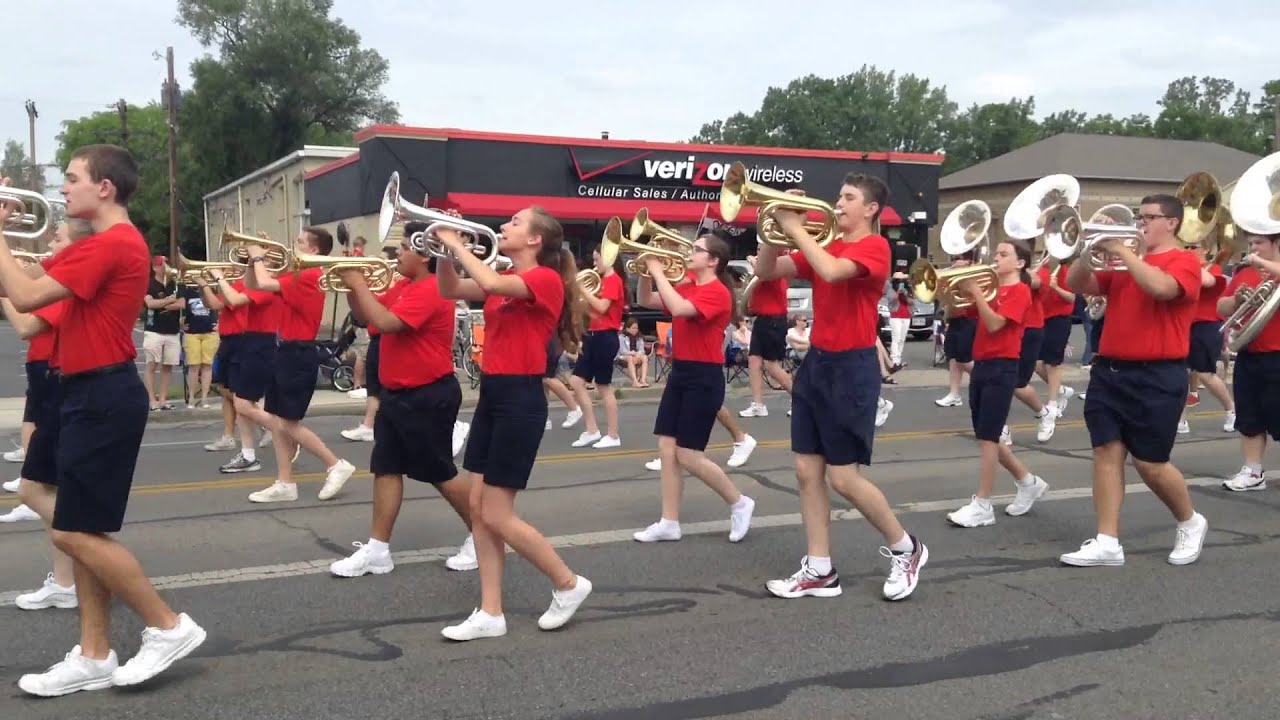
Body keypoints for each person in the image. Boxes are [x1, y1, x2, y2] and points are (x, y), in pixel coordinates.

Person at [5, 147, 205, 696]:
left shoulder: (115, 243)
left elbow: (22, 292)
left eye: (72, 179)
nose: (62, 187)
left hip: (103, 393)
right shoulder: (95, 246)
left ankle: (168, 626)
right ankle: (95, 655)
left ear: (105, 188)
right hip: (75, 391)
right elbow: (20, 295)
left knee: (73, 530)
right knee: (74, 523)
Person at [754, 173, 928, 601]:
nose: (838, 203)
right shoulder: (825, 241)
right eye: (839, 194)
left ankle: (908, 548)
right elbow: (765, 271)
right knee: (805, 470)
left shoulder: (874, 246)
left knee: (844, 478)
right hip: (817, 363)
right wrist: (776, 227)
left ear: (870, 209)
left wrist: (795, 226)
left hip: (852, 368)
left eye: (848, 197)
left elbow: (832, 273)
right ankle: (819, 569)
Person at [436, 206, 593, 641]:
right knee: (477, 508)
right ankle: (491, 612)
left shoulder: (541, 278)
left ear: (535, 240)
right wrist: (445, 251)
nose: (504, 226)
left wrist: (454, 240)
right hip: (494, 394)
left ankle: (568, 582)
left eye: (515, 223)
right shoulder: (505, 277)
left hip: (521, 398)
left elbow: (485, 281)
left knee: (497, 513)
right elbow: (450, 288)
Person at [1061, 193, 1208, 567]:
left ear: (1171, 222)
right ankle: (1107, 540)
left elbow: (1161, 289)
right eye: (1138, 217)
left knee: (1151, 463)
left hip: (1158, 374)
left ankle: (1190, 521)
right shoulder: (1121, 260)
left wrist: (1124, 252)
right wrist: (1086, 250)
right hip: (1110, 370)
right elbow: (1080, 284)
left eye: (1147, 218)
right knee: (1105, 452)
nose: (1139, 224)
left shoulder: (1184, 261)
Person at [330, 223, 477, 577]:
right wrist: (353, 288)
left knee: (439, 471)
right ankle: (378, 551)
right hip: (397, 393)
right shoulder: (404, 285)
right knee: (386, 467)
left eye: (404, 248)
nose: (397, 253)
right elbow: (368, 317)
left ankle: (483, 535)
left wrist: (358, 282)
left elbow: (387, 321)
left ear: (425, 255)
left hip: (427, 393)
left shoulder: (431, 288)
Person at [631, 234, 757, 544]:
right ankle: (669, 522)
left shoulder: (716, 292)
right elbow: (647, 301)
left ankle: (740, 502)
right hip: (681, 372)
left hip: (704, 376)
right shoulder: (688, 283)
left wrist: (657, 269)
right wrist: (646, 274)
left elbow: (679, 307)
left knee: (688, 454)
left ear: (713, 261)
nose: (690, 253)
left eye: (697, 250)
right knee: (667, 449)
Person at [238, 227, 357, 502]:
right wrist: (251, 261)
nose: (294, 244)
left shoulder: (310, 275)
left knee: (289, 424)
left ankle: (335, 464)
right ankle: (285, 483)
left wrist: (258, 258)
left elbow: (265, 283)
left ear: (314, 250)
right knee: (279, 422)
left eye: (300, 241)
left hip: (298, 352)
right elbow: (254, 285)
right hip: (285, 351)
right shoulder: (297, 273)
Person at [3, 220, 87, 596]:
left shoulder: (67, 284)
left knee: (34, 489)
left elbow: (24, 324)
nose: (50, 242)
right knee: (52, 488)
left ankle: (97, 557)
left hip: (63, 385)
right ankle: (65, 582)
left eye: (58, 238)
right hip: (60, 380)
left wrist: (5, 290)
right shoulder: (60, 276)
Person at [945, 240, 1048, 527]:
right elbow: (957, 314)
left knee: (990, 438)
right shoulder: (992, 290)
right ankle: (1028, 482)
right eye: (996, 253)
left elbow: (994, 324)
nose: (996, 258)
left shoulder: (1020, 291)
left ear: (1020, 263)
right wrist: (953, 291)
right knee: (985, 435)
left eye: (1004, 254)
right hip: (982, 365)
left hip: (1003, 367)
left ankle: (983, 504)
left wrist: (977, 292)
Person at [1216, 231, 1280, 491]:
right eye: (1251, 243)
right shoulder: (1245, 272)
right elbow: (1221, 307)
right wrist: (1238, 299)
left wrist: (1263, 265)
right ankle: (1253, 472)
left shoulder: (1269, 270)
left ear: (1276, 243)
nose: (1253, 248)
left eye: (1259, 243)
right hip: (1249, 354)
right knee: (1250, 417)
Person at [568, 245, 624, 449]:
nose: (593, 264)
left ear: (607, 259)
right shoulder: (600, 282)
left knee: (603, 386)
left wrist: (582, 290)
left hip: (605, 337)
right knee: (575, 381)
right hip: (592, 335)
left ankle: (613, 434)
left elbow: (602, 307)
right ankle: (592, 430)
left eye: (596, 259)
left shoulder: (613, 280)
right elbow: (595, 313)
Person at [1178, 257, 1235, 434]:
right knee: (1179, 372)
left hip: (1207, 325)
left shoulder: (1214, 268)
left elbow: (1205, 282)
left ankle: (1232, 410)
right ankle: (1180, 420)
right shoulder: (1186, 265)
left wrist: (1189, 266)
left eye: (1193, 248)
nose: (1188, 251)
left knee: (1205, 374)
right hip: (1184, 325)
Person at [738, 255, 794, 417]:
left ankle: (801, 400)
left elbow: (761, 270)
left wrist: (753, 260)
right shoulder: (763, 270)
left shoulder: (773, 269)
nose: (758, 253)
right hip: (762, 319)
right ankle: (758, 404)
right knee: (754, 360)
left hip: (774, 320)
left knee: (772, 366)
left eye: (761, 250)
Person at [1033, 256, 1078, 419]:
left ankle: (1052, 403)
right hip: (1041, 319)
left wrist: (1056, 287)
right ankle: (1061, 391)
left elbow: (1072, 298)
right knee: (1035, 364)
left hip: (1059, 319)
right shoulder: (1043, 267)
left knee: (1052, 364)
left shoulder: (1065, 269)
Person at [935, 252, 977, 407]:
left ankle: (984, 378)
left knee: (963, 359)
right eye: (955, 259)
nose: (955, 262)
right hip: (955, 319)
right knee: (952, 357)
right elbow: (948, 300)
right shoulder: (953, 277)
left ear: (969, 261)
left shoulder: (973, 276)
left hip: (969, 320)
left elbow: (971, 298)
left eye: (960, 259)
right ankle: (954, 394)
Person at [142, 256, 183, 410]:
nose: (164, 267)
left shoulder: (174, 284)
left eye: (166, 264)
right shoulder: (150, 284)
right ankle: (152, 400)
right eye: (161, 265)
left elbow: (182, 303)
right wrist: (169, 301)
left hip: (172, 331)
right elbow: (150, 303)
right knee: (151, 365)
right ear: (154, 268)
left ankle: (163, 400)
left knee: (168, 366)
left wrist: (165, 304)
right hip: (154, 331)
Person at [178, 266, 219, 408]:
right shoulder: (186, 290)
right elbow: (181, 307)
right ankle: (191, 398)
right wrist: (181, 324)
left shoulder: (211, 287)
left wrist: (218, 323)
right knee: (193, 366)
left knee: (207, 365)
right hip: (192, 332)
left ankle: (205, 398)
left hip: (210, 331)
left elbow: (218, 304)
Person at [885, 273, 912, 368]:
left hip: (906, 316)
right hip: (895, 316)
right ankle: (894, 360)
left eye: (902, 280)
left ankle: (899, 359)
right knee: (896, 338)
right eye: (899, 280)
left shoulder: (908, 289)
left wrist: (905, 294)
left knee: (902, 339)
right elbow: (891, 300)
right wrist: (898, 293)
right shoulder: (890, 289)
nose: (901, 282)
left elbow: (911, 302)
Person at [619, 317, 649, 387]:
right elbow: (622, 351)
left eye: (636, 328)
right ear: (627, 328)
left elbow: (642, 350)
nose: (635, 330)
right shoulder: (622, 337)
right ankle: (635, 382)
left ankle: (643, 380)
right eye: (633, 328)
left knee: (645, 357)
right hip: (623, 356)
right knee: (630, 358)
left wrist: (638, 354)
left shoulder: (639, 337)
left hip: (636, 356)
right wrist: (633, 354)